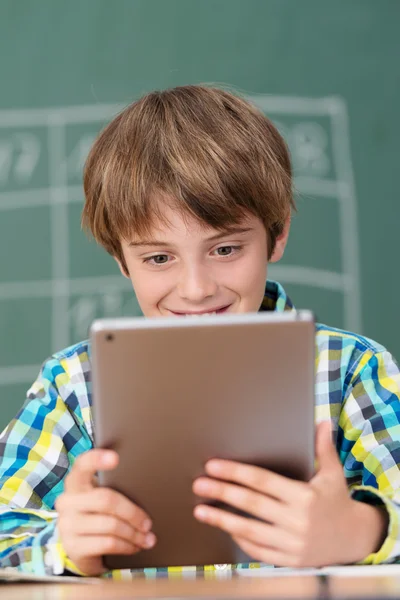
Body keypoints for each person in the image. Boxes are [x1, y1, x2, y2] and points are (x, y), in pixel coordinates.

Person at [0, 85, 399, 578]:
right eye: (159, 258)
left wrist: (361, 529)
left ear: (277, 233)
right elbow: (5, 531)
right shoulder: (73, 389)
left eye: (226, 250)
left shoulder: (353, 371)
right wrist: (65, 546)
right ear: (122, 261)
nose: (195, 289)